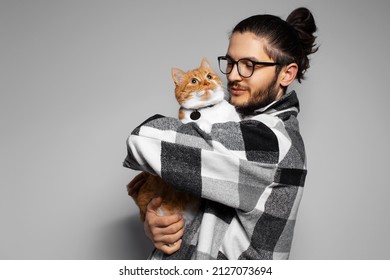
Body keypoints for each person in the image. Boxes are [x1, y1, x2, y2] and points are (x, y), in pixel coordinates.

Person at [124, 7, 318, 260]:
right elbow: (194, 199)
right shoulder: (233, 125)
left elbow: (143, 139)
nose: (233, 75)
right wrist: (159, 222)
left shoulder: (270, 141)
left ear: (286, 73)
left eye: (249, 65)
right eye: (230, 62)